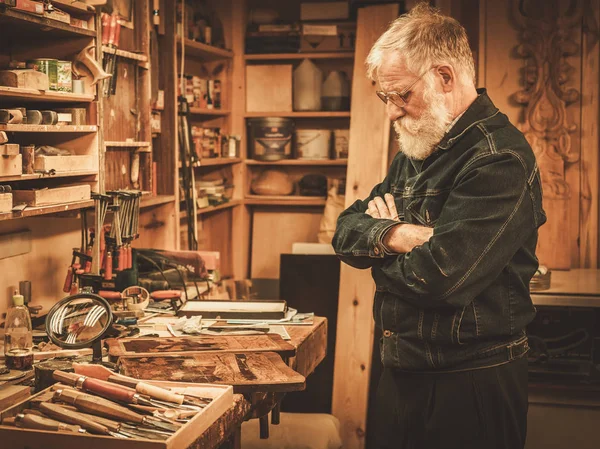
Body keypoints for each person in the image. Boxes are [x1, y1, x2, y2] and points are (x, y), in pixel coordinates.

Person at [332, 4, 546, 449]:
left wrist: (379, 253)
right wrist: (396, 235)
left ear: (445, 77)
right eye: (384, 98)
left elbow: (440, 280)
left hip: (471, 381)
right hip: (405, 369)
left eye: (401, 95)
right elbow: (345, 230)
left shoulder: (497, 158)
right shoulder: (417, 150)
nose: (392, 112)